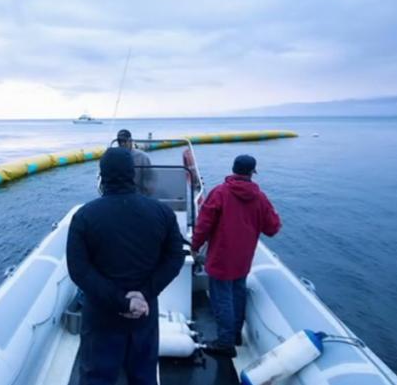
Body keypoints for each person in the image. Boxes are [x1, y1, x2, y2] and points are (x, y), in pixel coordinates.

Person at [67, 147, 186, 385]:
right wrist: (143, 294)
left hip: (102, 316)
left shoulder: (84, 216)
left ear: (102, 176)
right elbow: (176, 257)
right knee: (143, 376)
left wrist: (122, 301)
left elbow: (79, 270)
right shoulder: (162, 212)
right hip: (144, 314)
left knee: (97, 377)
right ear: (133, 175)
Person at [191, 154, 281, 357]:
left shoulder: (220, 193)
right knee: (237, 295)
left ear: (233, 169)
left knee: (221, 299)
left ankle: (225, 343)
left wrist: (195, 246)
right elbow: (273, 228)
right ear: (252, 173)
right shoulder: (260, 198)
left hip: (221, 258)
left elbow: (204, 225)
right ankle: (236, 336)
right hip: (243, 259)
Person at [116, 129, 154, 195]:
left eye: (124, 141)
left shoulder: (143, 157)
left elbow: (148, 181)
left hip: (137, 195)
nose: (122, 144)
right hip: (118, 195)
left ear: (130, 141)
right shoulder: (113, 157)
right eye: (120, 142)